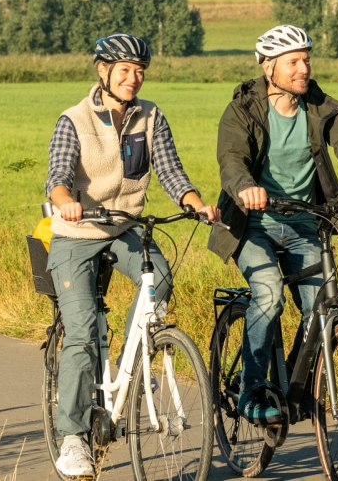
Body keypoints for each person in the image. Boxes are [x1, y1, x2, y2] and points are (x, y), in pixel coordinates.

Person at [210, 24, 338, 423]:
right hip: (254, 224)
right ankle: (251, 390)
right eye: (294, 62)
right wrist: (246, 187)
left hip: (305, 224)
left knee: (323, 307)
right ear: (269, 68)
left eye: (306, 60)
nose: (304, 68)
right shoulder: (242, 110)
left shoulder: (320, 107)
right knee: (268, 294)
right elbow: (231, 160)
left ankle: (293, 388)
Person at [45, 32, 219, 478]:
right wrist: (66, 200)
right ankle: (72, 439)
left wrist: (194, 202)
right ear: (103, 72)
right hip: (77, 232)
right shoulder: (74, 119)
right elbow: (59, 176)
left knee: (159, 280)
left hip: (124, 225)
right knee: (82, 333)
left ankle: (130, 365)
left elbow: (170, 169)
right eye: (125, 70)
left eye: (140, 71)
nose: (134, 78)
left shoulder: (150, 117)